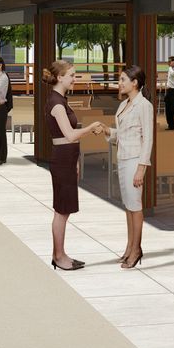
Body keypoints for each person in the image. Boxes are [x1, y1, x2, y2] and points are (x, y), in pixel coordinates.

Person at [45, 60, 107, 272]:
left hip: (67, 158)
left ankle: (60, 254)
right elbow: (70, 135)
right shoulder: (57, 103)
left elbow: (69, 138)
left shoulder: (61, 100)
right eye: (71, 75)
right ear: (60, 77)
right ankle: (59, 256)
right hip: (62, 159)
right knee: (62, 210)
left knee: (64, 210)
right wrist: (90, 127)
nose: (74, 78)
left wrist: (77, 160)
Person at [107, 66, 153, 269]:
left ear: (135, 82)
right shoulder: (124, 104)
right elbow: (123, 134)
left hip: (135, 160)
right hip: (123, 158)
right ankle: (129, 247)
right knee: (128, 206)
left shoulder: (144, 105)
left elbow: (148, 139)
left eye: (123, 79)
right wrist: (107, 130)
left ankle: (136, 250)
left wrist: (141, 169)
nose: (120, 82)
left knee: (135, 206)